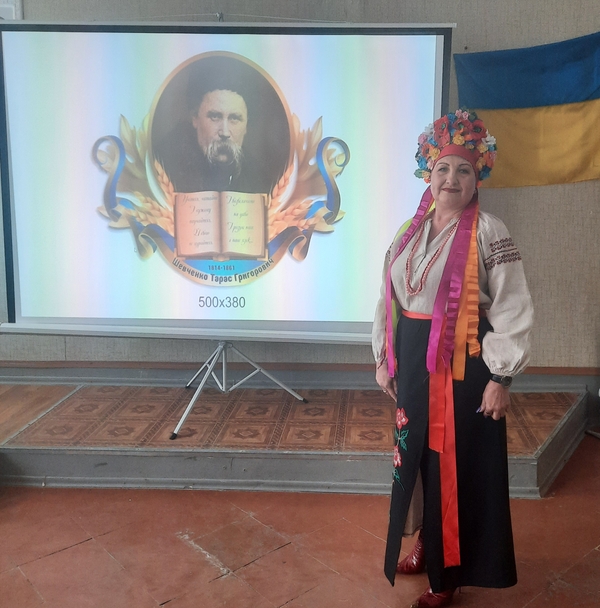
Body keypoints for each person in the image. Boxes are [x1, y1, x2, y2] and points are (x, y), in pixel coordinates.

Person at [372, 109, 533, 608]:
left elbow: (512, 305)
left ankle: (449, 573)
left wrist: (501, 377)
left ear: (477, 176)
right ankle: (427, 542)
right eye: (443, 168)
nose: (451, 178)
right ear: (428, 172)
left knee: (453, 466)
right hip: (413, 360)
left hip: (464, 366)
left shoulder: (490, 231)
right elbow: (387, 299)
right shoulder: (408, 230)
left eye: (463, 169)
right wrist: (384, 357)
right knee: (417, 458)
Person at [155, 85, 270, 194]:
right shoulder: (163, 167)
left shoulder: (260, 179)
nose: (224, 132)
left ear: (246, 125)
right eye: (215, 116)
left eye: (234, 118)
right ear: (195, 118)